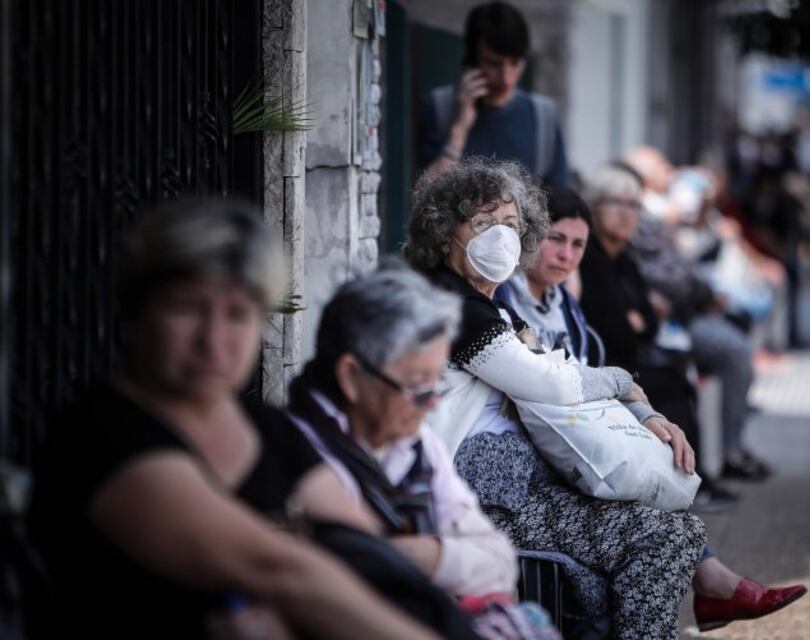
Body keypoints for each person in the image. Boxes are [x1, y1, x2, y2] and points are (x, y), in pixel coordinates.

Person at [27, 199, 448, 640]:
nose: (212, 341)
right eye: (186, 308)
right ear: (136, 313)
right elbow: (276, 569)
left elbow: (367, 554)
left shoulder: (268, 428)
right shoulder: (102, 433)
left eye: (238, 315)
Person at [405, 157, 707, 639]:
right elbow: (552, 385)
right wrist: (621, 382)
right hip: (483, 498)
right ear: (446, 232)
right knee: (666, 534)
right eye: (482, 223)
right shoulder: (455, 308)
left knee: (674, 526)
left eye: (510, 223)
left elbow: (560, 365)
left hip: (521, 487)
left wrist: (643, 409)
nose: (500, 235)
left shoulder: (491, 308)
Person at [526, 186, 807, 632]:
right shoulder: (517, 309)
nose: (566, 254)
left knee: (667, 413)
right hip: (550, 450)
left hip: (582, 427)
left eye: (577, 244)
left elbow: (622, 341)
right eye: (555, 239)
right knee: (672, 518)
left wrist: (646, 414)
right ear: (528, 236)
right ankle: (715, 582)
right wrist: (629, 388)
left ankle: (714, 579)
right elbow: (587, 364)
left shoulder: (561, 302)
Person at [286, 265, 519, 598]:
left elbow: (501, 564)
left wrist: (422, 555)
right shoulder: (295, 451)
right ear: (352, 377)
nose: (433, 404)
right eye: (418, 387)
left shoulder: (418, 446)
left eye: (436, 383)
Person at [621, 150, 774, 481]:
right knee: (732, 352)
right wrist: (701, 297)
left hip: (681, 312)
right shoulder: (647, 216)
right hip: (673, 320)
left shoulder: (657, 213)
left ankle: (731, 443)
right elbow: (666, 278)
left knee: (737, 331)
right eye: (662, 167)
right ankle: (728, 453)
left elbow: (676, 270)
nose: (670, 170)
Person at [417, 1, 570, 187]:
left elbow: (561, 200)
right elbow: (424, 194)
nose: (506, 78)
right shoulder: (439, 108)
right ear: (473, 59)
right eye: (494, 63)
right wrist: (459, 130)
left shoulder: (543, 116)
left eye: (515, 63)